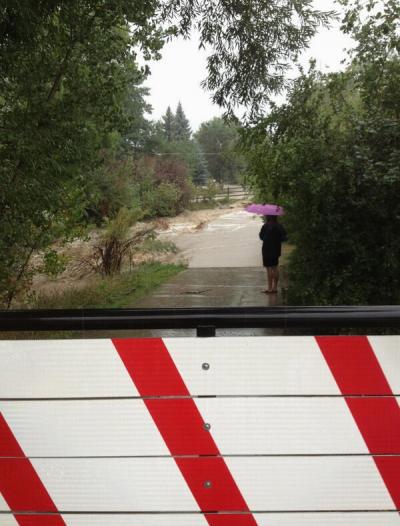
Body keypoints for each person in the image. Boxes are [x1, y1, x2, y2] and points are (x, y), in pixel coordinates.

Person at [259, 215, 287, 293]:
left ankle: (269, 288)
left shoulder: (265, 226)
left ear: (268, 217)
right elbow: (284, 237)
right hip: (276, 249)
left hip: (267, 249)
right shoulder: (279, 226)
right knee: (275, 267)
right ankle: (275, 288)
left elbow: (261, 237)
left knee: (268, 268)